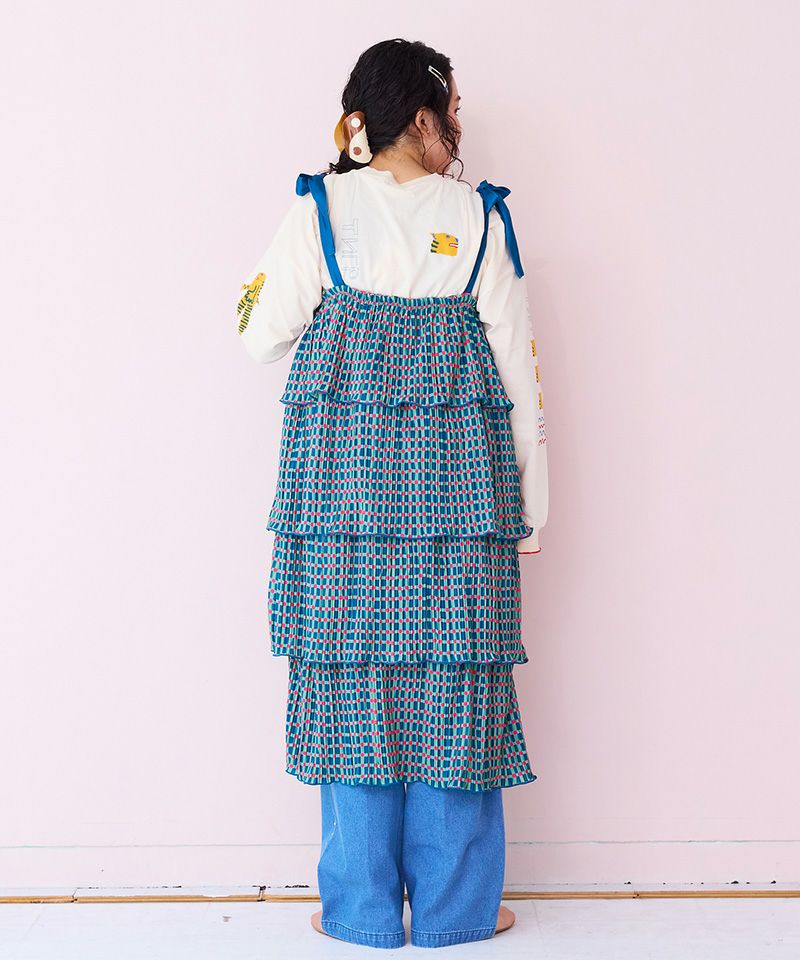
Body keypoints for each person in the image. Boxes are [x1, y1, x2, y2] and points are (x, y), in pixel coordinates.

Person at [236, 38, 549, 950]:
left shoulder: (318, 211)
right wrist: (531, 509)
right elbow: (520, 376)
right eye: (452, 112)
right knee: (457, 682)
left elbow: (256, 331)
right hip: (460, 501)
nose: (458, 129)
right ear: (421, 117)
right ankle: (457, 910)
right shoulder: (481, 219)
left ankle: (362, 911)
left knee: (349, 682)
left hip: (342, 502)